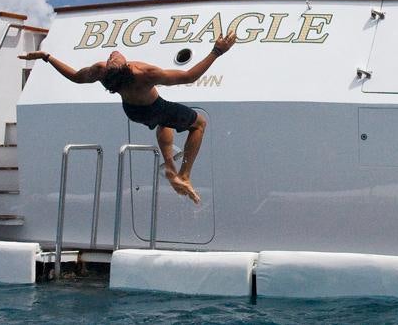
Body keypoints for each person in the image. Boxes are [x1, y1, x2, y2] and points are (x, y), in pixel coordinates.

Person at [17, 32, 236, 204]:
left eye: (112, 56)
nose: (113, 53)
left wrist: (47, 57)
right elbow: (189, 76)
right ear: (125, 67)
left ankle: (169, 166)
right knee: (198, 123)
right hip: (154, 106)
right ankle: (185, 174)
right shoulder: (144, 73)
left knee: (163, 124)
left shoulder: (102, 73)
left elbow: (75, 77)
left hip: (133, 112)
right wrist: (217, 51)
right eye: (114, 58)